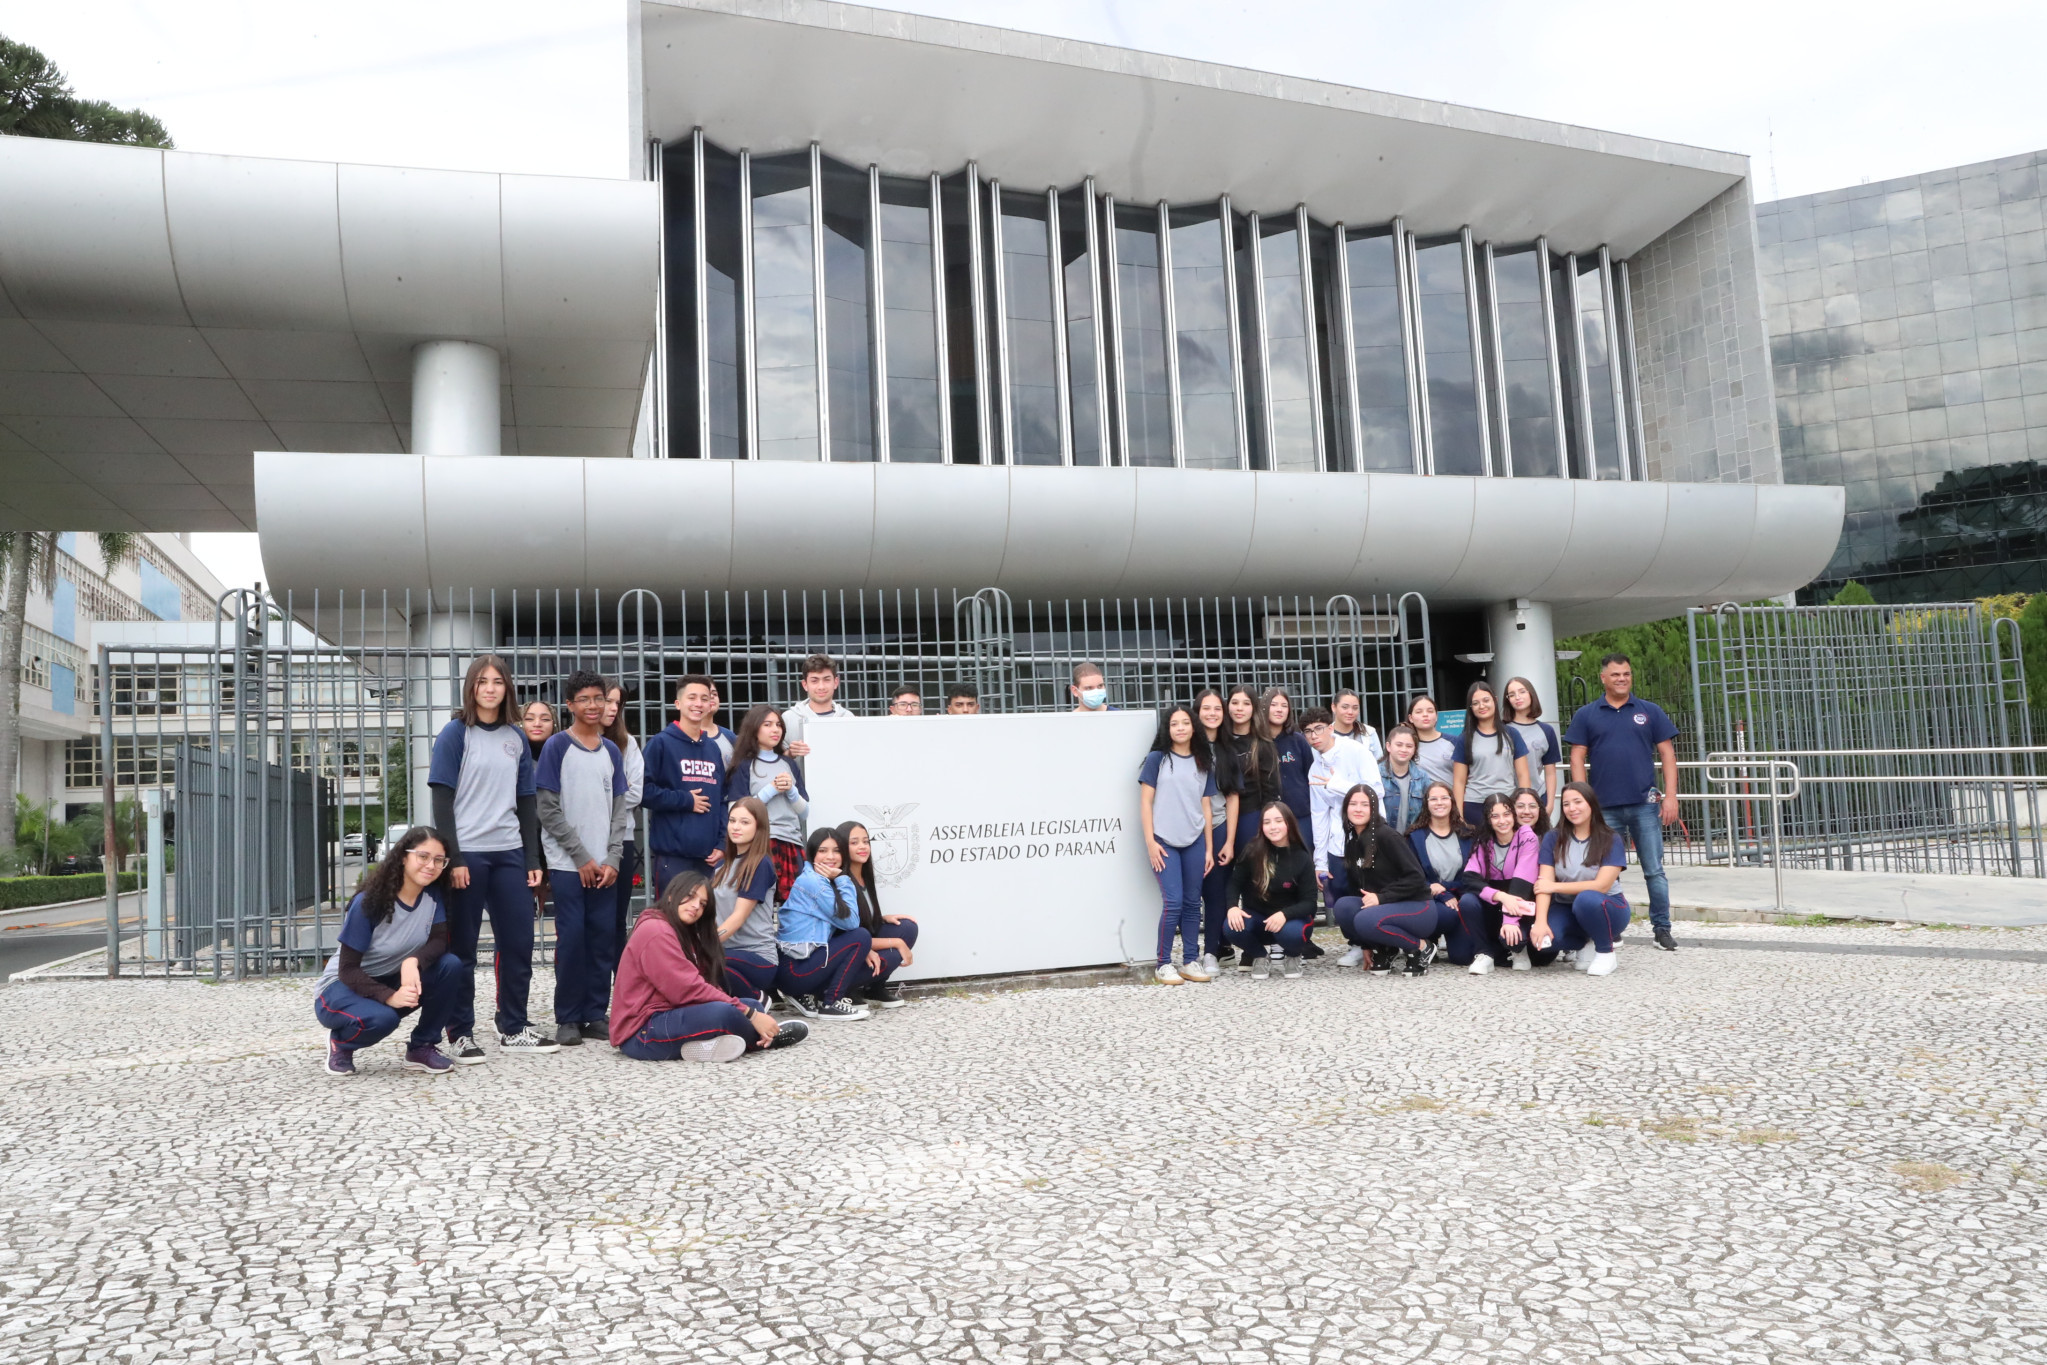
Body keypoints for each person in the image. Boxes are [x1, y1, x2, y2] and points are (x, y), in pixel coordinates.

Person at [427, 654, 555, 1063]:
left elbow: (526, 800)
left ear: (507, 688)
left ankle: (513, 1025)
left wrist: (532, 857)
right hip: (468, 855)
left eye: (497, 681)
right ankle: (460, 1032)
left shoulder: (515, 738)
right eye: (482, 681)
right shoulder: (454, 733)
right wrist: (455, 858)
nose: (490, 688)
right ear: (471, 687)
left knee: (518, 941)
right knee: (463, 947)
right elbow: (442, 801)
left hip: (509, 853)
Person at [314, 826, 465, 1077]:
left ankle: (421, 1047)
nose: (431, 865)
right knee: (383, 1019)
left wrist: (412, 962)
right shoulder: (370, 902)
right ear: (404, 857)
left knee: (450, 965)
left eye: (439, 860)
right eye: (423, 856)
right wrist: (388, 996)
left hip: (391, 976)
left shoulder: (433, 895)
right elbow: (347, 969)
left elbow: (439, 940)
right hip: (341, 988)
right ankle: (340, 1044)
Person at [611, 871, 806, 1062]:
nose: (696, 906)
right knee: (731, 1013)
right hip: (641, 1033)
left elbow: (706, 984)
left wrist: (747, 1009)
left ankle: (706, 1047)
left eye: (703, 904)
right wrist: (750, 1015)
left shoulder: (682, 931)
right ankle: (767, 1039)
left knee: (751, 1004)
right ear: (671, 895)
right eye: (689, 897)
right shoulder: (656, 930)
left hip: (669, 1015)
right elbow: (687, 989)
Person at [535, 670, 631, 1047]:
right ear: (570, 705)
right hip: (567, 864)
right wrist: (581, 857)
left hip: (605, 867)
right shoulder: (558, 747)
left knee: (602, 939)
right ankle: (568, 1016)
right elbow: (547, 808)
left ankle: (594, 1012)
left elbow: (620, 809)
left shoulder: (610, 751)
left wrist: (612, 859)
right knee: (572, 939)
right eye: (585, 699)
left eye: (599, 699)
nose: (593, 706)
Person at [1566, 652, 1680, 952]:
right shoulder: (1587, 714)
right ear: (1603, 678)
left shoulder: (1649, 711)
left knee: (1654, 870)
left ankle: (1662, 929)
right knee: (1601, 871)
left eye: (1626, 674)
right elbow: (1577, 755)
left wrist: (1670, 797)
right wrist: (1582, 798)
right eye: (1615, 674)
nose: (1622, 679)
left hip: (1645, 805)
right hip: (1603, 810)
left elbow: (1668, 753)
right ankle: (1607, 927)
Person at [1324, 784, 1449, 976]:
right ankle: (1384, 949)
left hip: (1417, 908)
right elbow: (1359, 889)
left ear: (1373, 809)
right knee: (1344, 907)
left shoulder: (1386, 835)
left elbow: (1416, 877)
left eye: (1365, 804)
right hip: (1386, 908)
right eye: (1353, 804)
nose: (1358, 809)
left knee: (1365, 919)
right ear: (1345, 808)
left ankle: (1422, 947)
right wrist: (1367, 944)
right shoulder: (1352, 841)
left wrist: (1382, 898)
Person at [1139, 704, 1218, 985]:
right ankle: (1163, 964)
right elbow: (1146, 803)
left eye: (1186, 723)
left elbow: (1206, 807)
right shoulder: (1157, 759)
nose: (1181, 728)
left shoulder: (1202, 759)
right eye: (1175, 724)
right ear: (1167, 729)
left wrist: (1208, 847)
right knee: (1173, 902)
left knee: (1191, 903)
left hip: (1195, 840)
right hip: (1164, 842)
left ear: (1193, 726)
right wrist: (1150, 842)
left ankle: (1190, 961)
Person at [775, 826, 874, 1020]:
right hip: (794, 970)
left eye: (836, 851)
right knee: (860, 937)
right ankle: (830, 1003)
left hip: (796, 968)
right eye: (823, 851)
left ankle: (818, 996)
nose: (831, 856)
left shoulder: (821, 879)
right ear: (812, 854)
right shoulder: (815, 883)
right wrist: (843, 879)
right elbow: (852, 922)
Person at [1534, 781, 1632, 977]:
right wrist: (1540, 922)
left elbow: (1601, 886)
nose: (1572, 808)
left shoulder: (1610, 838)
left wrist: (1554, 886)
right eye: (1566, 804)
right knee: (1546, 943)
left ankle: (1605, 951)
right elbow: (1542, 885)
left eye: (1578, 802)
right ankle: (1585, 942)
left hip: (1607, 906)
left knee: (1586, 898)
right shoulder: (1553, 838)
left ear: (1591, 804)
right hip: (1566, 907)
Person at [642, 674, 728, 888]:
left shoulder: (713, 748)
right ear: (678, 703)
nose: (698, 704)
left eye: (704, 698)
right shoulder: (660, 743)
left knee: (704, 920)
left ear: (711, 704)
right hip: (673, 857)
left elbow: (722, 800)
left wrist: (722, 842)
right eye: (692, 698)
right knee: (673, 919)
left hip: (709, 857)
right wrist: (686, 800)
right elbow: (642, 792)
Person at [1224, 803, 1319, 979]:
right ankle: (1260, 956)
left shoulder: (1302, 857)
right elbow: (1234, 884)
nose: (1273, 827)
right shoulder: (1252, 851)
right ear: (1261, 826)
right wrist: (1232, 907)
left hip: (1291, 921)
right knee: (1231, 927)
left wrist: (1284, 914)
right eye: (1267, 822)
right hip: (1259, 918)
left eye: (1278, 821)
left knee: (1290, 933)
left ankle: (1293, 955)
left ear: (1288, 823)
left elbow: (1309, 904)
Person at [1457, 792, 1548, 975]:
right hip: (1496, 902)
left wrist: (1510, 922)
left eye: (1506, 814)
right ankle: (1485, 953)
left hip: (1521, 905)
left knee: (1538, 954)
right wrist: (1501, 896)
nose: (1502, 821)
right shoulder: (1483, 840)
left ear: (1514, 815)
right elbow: (1469, 878)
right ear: (1488, 819)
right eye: (1495, 816)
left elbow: (1522, 881)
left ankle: (1515, 949)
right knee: (1467, 902)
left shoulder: (1527, 837)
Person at [726, 704, 810, 900]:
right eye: (768, 724)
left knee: (793, 905)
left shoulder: (788, 763)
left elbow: (805, 812)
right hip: (760, 843)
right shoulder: (744, 765)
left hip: (791, 842)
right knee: (760, 901)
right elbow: (735, 811)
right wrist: (771, 789)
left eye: (779, 725)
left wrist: (791, 790)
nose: (775, 729)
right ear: (754, 728)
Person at [837, 819, 919, 1009]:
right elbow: (849, 934)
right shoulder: (841, 881)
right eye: (854, 842)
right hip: (847, 950)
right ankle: (847, 989)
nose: (862, 847)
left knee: (907, 928)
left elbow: (861, 918)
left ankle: (874, 988)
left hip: (862, 940)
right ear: (842, 847)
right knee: (893, 954)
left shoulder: (865, 875)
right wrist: (896, 943)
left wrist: (880, 917)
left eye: (866, 841)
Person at [710, 796, 780, 1004]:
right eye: (732, 821)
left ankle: (756, 998)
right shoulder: (721, 866)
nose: (736, 827)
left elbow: (738, 917)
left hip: (757, 956)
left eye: (745, 822)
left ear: (759, 827)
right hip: (727, 951)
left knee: (708, 960)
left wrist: (704, 944)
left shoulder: (760, 864)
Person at [1192, 689, 1243, 973]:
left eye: (1217, 709)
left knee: (1215, 894)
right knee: (1190, 895)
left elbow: (1233, 796)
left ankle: (1211, 951)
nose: (1212, 714)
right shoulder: (1186, 744)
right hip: (1188, 829)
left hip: (1220, 825)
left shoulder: (1228, 749)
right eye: (1206, 708)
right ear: (1196, 712)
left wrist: (1230, 841)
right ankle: (1189, 951)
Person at [1302, 706, 1373, 895]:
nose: (1314, 735)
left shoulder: (1357, 751)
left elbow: (1376, 792)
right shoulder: (1315, 769)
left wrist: (1338, 785)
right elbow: (1319, 816)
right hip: (1338, 845)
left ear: (1331, 728)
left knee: (1369, 897)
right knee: (1341, 901)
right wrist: (1320, 862)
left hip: (1368, 841)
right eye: (1308, 731)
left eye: (1319, 728)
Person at [602, 683, 645, 974]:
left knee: (617, 918)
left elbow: (635, 793)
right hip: (585, 841)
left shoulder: (628, 743)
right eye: (608, 700)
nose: (613, 708)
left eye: (618, 703)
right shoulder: (571, 742)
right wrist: (615, 792)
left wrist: (597, 800)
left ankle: (621, 986)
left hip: (622, 838)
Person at [1406, 780, 1475, 955]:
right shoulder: (1415, 837)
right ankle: (1429, 939)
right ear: (1426, 804)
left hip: (1461, 899)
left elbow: (1473, 876)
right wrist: (1442, 894)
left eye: (1444, 798)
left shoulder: (1468, 834)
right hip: (1429, 899)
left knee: (1462, 958)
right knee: (1444, 914)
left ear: (1452, 802)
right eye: (1433, 799)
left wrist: (1446, 889)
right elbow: (1412, 877)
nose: (1439, 803)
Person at [1451, 680, 1530, 828]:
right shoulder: (1464, 739)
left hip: (1508, 804)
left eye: (1486, 700)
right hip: (1475, 806)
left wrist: (1523, 806)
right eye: (1475, 703)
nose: (1482, 706)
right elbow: (1459, 781)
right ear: (1470, 707)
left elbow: (1523, 775)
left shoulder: (1512, 734)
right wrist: (1459, 816)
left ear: (1495, 700)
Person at [1259, 687, 1315, 830]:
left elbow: (1311, 775)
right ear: (1264, 707)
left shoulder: (1298, 740)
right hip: (1269, 818)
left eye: (1284, 706)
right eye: (1274, 705)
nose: (1279, 710)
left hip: (1301, 815)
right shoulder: (1256, 743)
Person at [1503, 677, 1562, 812]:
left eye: (1522, 692)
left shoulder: (1546, 731)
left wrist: (1550, 804)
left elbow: (1550, 773)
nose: (1517, 697)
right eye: (1511, 695)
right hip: (1505, 798)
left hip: (1536, 797)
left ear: (1531, 694)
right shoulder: (1501, 729)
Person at [782, 653, 856, 759]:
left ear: (836, 682)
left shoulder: (848, 718)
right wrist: (790, 753)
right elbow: (774, 760)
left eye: (826, 679)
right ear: (805, 685)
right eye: (814, 681)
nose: (821, 687)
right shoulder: (788, 718)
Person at [1380, 724, 1429, 833]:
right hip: (1383, 840)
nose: (1404, 749)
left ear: (1414, 749)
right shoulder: (1375, 774)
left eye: (1409, 746)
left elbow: (1427, 813)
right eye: (1399, 745)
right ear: (1388, 746)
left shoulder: (1422, 778)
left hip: (1411, 840)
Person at [1406, 694, 1457, 787]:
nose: (1425, 715)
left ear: (1436, 716)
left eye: (1430, 711)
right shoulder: (1407, 746)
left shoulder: (1454, 742)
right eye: (1419, 712)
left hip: (1449, 799)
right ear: (1410, 718)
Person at [1329, 689, 1385, 766]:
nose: (1350, 712)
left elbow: (1379, 764)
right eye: (1345, 707)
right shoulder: (1325, 734)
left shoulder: (1369, 732)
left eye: (1355, 708)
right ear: (1333, 707)